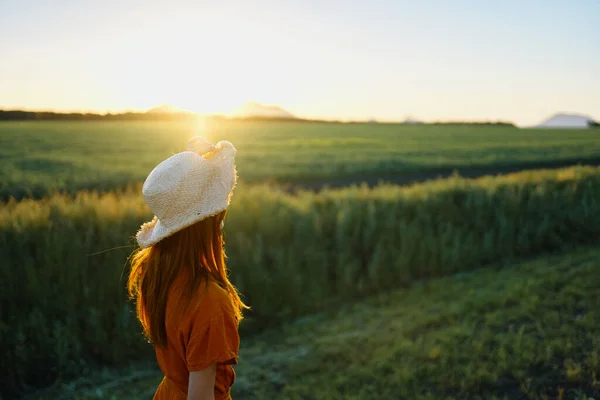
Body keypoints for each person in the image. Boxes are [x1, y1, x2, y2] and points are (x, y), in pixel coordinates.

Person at [128, 137, 248, 400]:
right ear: (206, 224)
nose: (221, 226)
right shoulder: (210, 301)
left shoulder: (155, 272)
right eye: (219, 216)